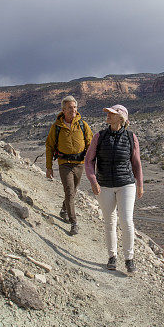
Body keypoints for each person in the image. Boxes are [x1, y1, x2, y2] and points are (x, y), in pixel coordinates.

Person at [84, 104, 144, 274]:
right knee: (109, 221)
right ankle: (112, 256)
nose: (108, 116)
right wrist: (93, 180)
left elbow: (136, 163)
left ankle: (129, 259)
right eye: (108, 113)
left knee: (126, 220)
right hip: (104, 185)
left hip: (126, 183)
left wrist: (140, 184)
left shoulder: (131, 137)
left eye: (112, 113)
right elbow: (89, 161)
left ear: (121, 118)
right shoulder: (99, 136)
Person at [45, 96, 93, 235]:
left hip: (79, 164)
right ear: (63, 110)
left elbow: (90, 145)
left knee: (73, 191)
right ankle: (74, 223)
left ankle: (64, 209)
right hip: (64, 164)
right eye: (70, 108)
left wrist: (92, 163)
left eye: (75, 107)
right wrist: (49, 167)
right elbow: (49, 146)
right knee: (69, 192)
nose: (73, 110)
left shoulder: (83, 125)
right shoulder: (56, 127)